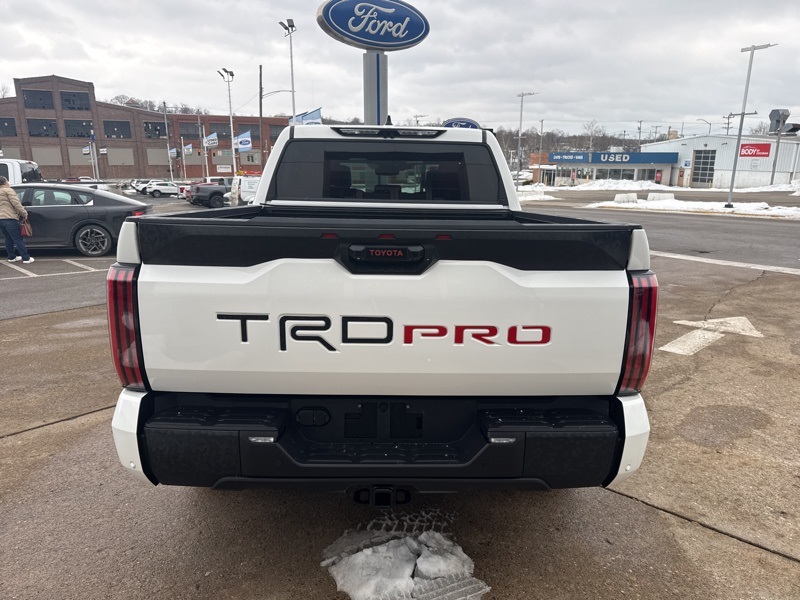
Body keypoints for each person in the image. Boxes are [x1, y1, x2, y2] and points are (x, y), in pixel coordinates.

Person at [0, 176, 34, 264]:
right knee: (18, 239)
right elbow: (16, 203)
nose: (8, 182)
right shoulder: (8, 190)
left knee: (8, 238)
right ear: (4, 182)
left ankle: (11, 257)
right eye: (7, 180)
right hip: (10, 218)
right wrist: (24, 213)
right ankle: (26, 258)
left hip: (1, 219)